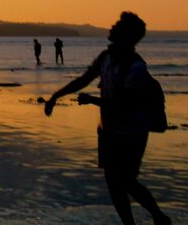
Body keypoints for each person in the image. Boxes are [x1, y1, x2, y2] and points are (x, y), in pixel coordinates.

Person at [44, 12, 171, 225]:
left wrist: (92, 101)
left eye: (118, 25)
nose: (112, 26)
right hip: (109, 130)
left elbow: (126, 104)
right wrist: (56, 95)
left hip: (132, 133)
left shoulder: (136, 67)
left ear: (127, 35)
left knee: (126, 181)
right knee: (114, 182)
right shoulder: (106, 57)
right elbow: (83, 79)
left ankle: (159, 217)